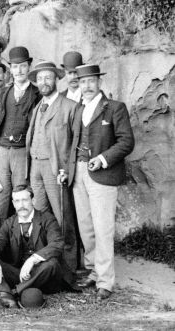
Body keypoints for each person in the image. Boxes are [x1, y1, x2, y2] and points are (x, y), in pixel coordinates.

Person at [68, 64, 134, 300]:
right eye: (82, 81)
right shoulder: (77, 108)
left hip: (103, 174)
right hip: (79, 172)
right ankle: (93, 272)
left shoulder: (115, 108)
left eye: (91, 81)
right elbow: (72, 142)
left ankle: (105, 282)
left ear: (99, 82)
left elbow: (127, 142)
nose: (86, 86)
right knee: (86, 227)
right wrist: (68, 169)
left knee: (103, 228)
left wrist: (103, 159)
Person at [25, 61, 80, 280]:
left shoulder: (69, 106)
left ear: (56, 79)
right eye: (40, 79)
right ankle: (42, 260)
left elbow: (75, 143)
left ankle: (69, 268)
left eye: (48, 78)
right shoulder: (38, 106)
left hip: (54, 168)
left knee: (62, 217)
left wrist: (66, 169)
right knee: (38, 214)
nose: (44, 82)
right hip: (35, 165)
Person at [0, 185, 65, 309]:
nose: (21, 205)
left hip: (43, 276)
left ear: (33, 201)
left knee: (51, 263)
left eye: (25, 200)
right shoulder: (10, 222)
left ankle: (12, 292)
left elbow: (57, 243)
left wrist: (33, 259)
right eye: (17, 201)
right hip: (20, 274)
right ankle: (3, 294)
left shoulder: (48, 219)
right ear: (13, 204)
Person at [0, 47, 41, 220]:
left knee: (22, 198)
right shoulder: (2, 94)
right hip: (1, 152)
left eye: (23, 66)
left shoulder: (37, 94)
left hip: (22, 153)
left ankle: (24, 242)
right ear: (11, 70)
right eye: (15, 67)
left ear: (29, 67)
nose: (19, 71)